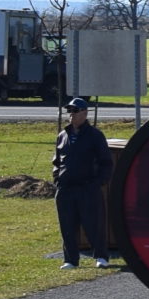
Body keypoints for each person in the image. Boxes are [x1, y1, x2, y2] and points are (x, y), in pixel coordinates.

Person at [53, 96, 115, 268]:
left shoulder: (95, 135)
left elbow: (106, 163)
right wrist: (57, 178)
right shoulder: (62, 135)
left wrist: (98, 183)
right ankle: (70, 259)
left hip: (87, 188)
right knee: (67, 225)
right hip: (66, 188)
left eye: (75, 111)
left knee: (93, 224)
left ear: (85, 113)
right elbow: (57, 161)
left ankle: (101, 256)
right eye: (69, 111)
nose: (71, 114)